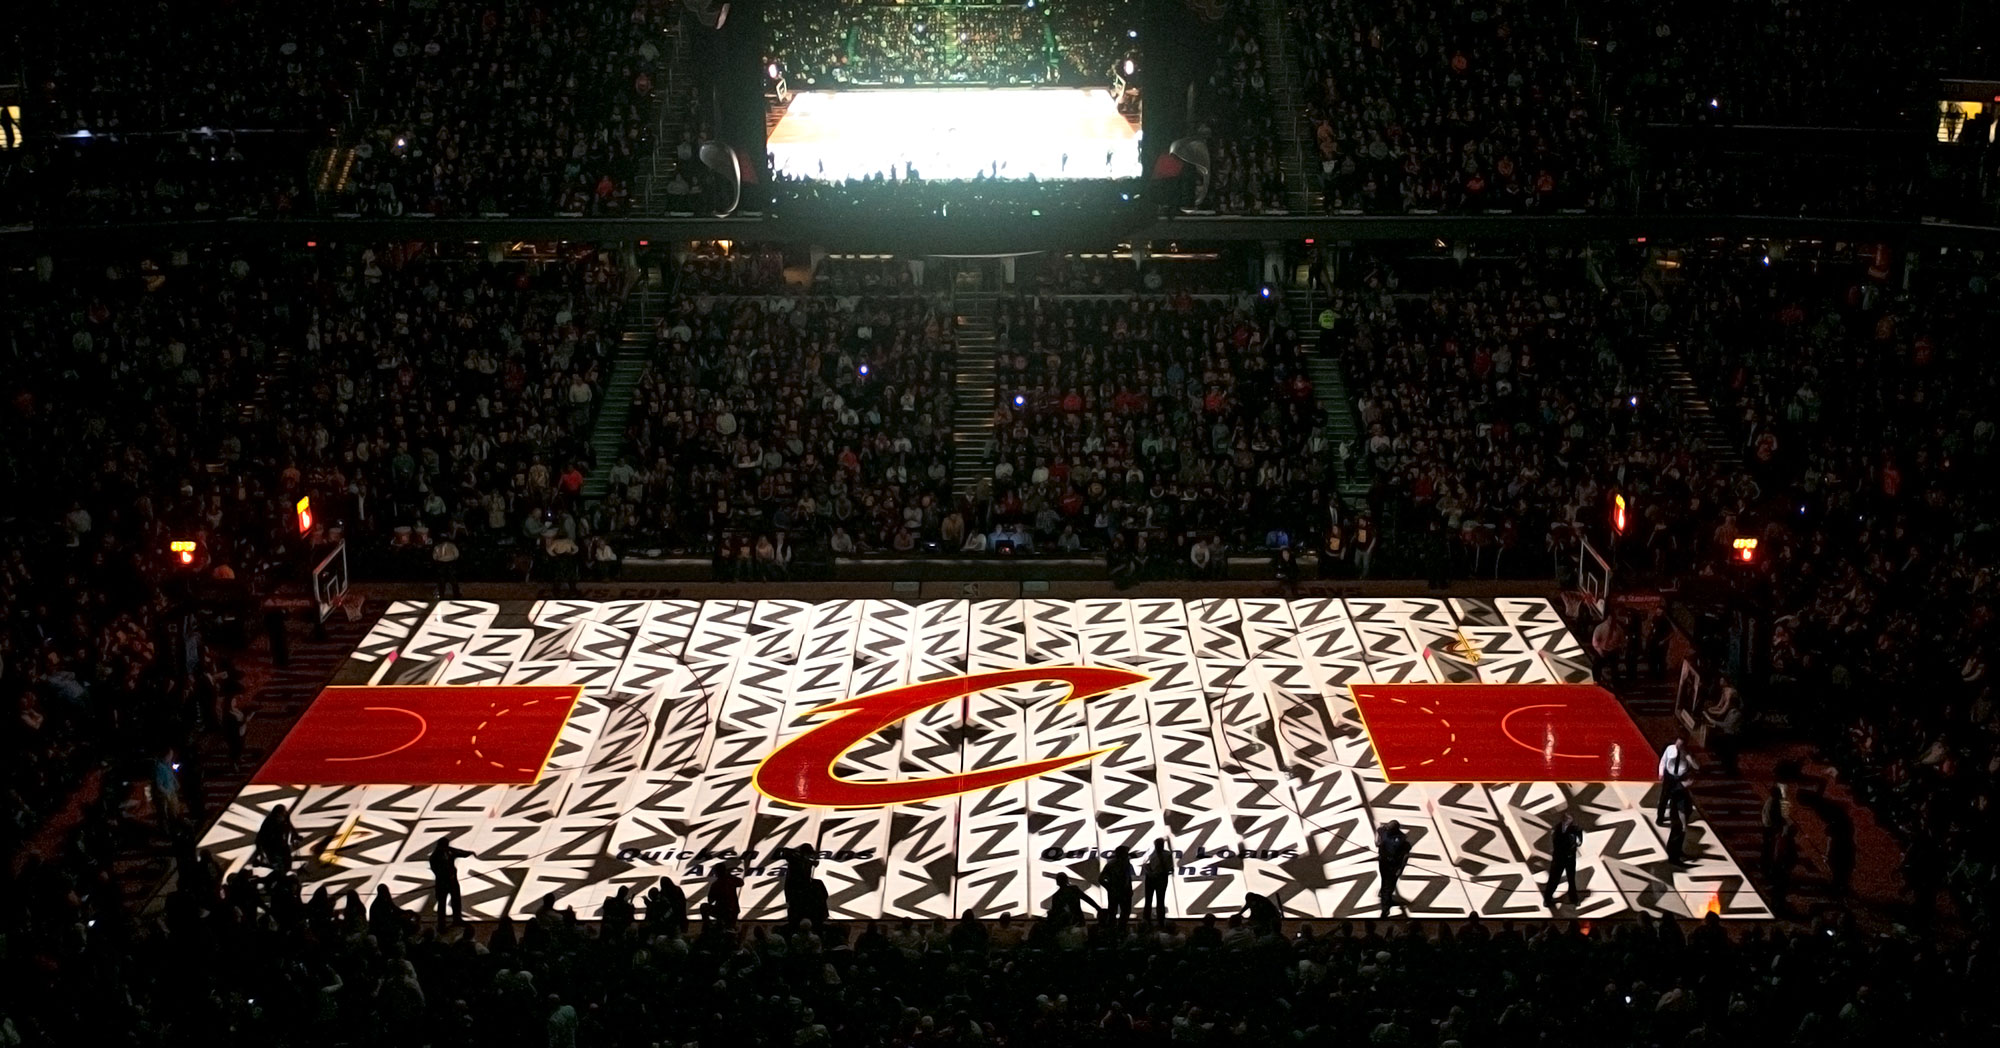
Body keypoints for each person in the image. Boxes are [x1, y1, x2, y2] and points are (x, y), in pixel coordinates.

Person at [1543, 811, 1584, 908]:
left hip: (1569, 857)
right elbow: (1554, 842)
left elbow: (1579, 842)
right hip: (1558, 858)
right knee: (1554, 879)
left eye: (1570, 818)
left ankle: (1573, 899)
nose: (1568, 820)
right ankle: (1547, 899)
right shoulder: (1557, 828)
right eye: (1566, 818)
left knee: (1571, 879)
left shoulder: (1576, 829)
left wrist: (1575, 842)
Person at [428, 833, 471, 925]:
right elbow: (435, 870)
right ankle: (441, 923)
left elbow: (460, 852)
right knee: (442, 903)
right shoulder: (435, 857)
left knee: (455, 900)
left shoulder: (449, 851)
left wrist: (469, 853)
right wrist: (446, 875)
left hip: (452, 881)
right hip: (442, 883)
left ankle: (457, 919)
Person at [1376, 820, 1412, 918]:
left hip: (1393, 865)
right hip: (1385, 864)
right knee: (1387, 886)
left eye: (1389, 828)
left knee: (1389, 884)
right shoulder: (1385, 831)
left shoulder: (1400, 840)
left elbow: (1405, 856)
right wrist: (1378, 842)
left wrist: (1401, 868)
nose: (1387, 829)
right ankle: (1385, 910)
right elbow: (1379, 830)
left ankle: (1388, 899)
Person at [254, 804, 302, 879]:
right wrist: (259, 853)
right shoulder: (269, 822)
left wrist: (296, 836)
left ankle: (279, 876)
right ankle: (276, 878)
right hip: (271, 847)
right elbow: (260, 838)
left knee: (287, 865)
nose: (281, 816)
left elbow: (290, 826)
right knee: (279, 867)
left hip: (281, 844)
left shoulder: (284, 817)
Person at [1657, 733, 1695, 825]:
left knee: (1677, 799)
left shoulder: (1687, 753)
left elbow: (1695, 766)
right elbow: (1663, 760)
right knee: (1664, 798)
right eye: (1677, 744)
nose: (1677, 746)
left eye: (1680, 745)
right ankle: (1660, 818)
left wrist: (1688, 757)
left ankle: (1676, 817)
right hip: (1669, 776)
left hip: (1680, 778)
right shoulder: (1670, 748)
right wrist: (1661, 772)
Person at [784, 843, 825, 927]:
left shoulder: (801, 861)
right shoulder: (796, 861)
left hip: (798, 891)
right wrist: (810, 863)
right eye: (808, 854)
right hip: (796, 892)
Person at [1099, 846, 1135, 925]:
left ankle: (1121, 929)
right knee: (1113, 913)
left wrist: (1130, 888)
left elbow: (1128, 878)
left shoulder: (1126, 863)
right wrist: (1110, 888)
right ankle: (1114, 931)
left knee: (1125, 912)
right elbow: (1101, 879)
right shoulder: (1111, 865)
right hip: (1116, 892)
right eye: (1125, 853)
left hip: (1124, 892)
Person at [1142, 838, 1174, 925]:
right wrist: (1150, 872)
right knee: (1150, 900)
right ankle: (1148, 919)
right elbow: (1145, 865)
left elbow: (1169, 868)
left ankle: (1159, 920)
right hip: (1153, 878)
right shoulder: (1151, 853)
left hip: (1160, 877)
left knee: (1160, 900)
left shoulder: (1166, 854)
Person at [705, 861, 743, 928]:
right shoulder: (730, 880)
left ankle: (708, 926)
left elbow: (710, 900)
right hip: (733, 910)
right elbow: (741, 882)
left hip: (723, 911)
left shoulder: (716, 884)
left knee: (704, 907)